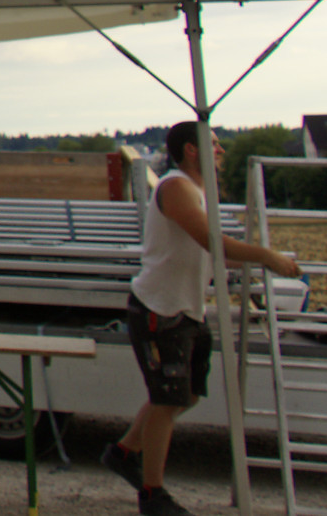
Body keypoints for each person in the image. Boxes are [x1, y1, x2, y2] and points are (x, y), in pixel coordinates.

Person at [101, 122, 301, 516]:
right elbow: (210, 241)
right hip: (160, 309)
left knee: (187, 394)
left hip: (187, 308)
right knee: (167, 400)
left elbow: (207, 250)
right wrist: (266, 256)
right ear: (191, 150)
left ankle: (123, 453)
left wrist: (260, 264)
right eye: (214, 144)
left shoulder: (199, 191)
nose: (221, 151)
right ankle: (152, 495)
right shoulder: (176, 187)